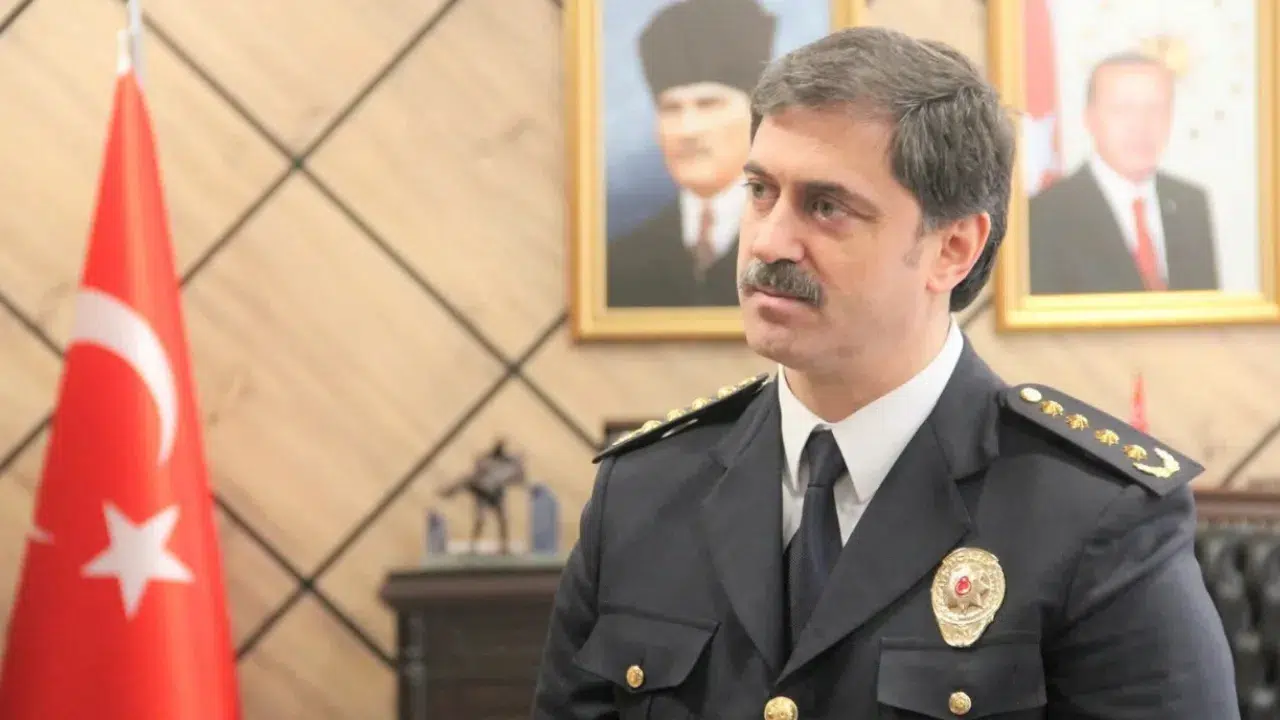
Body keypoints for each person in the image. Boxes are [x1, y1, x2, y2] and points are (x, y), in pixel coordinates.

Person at [533, 26, 1238, 720]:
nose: (770, 240)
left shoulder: (1093, 515)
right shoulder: (643, 493)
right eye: (760, 190)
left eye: (826, 206)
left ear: (952, 249)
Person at [606, 0, 776, 308]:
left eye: (708, 104)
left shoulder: (800, 246)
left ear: (757, 115)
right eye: (671, 109)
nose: (688, 129)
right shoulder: (618, 260)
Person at [1029, 51, 1219, 295]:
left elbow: (1206, 310)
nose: (1140, 126)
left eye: (1155, 109)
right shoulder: (1045, 214)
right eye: (1122, 109)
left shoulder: (1191, 203)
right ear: (1089, 119)